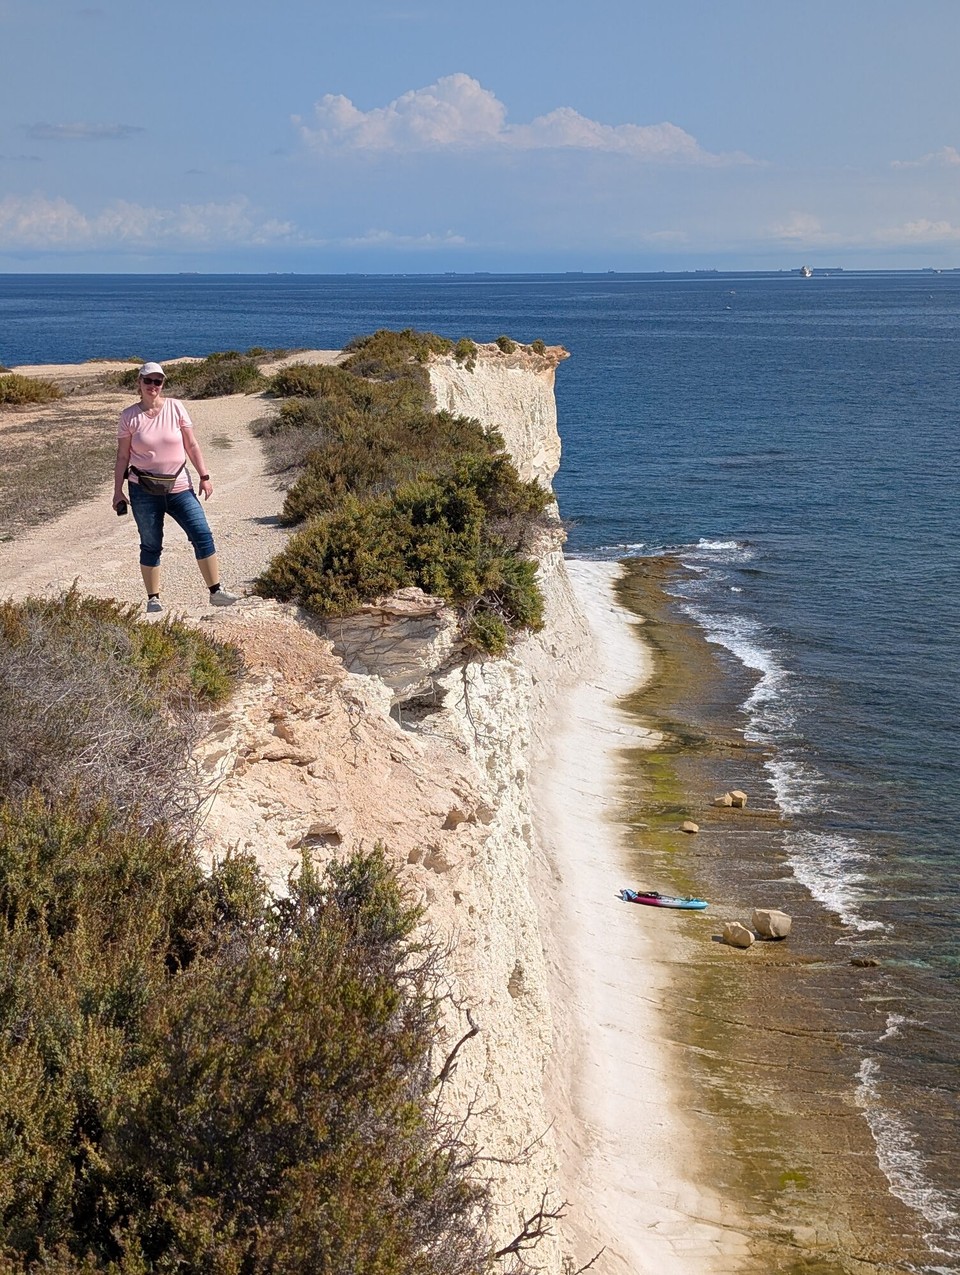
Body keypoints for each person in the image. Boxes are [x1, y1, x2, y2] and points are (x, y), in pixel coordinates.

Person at [113, 362, 238, 614]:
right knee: (151, 543)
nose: (153, 386)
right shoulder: (129, 416)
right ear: (139, 383)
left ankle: (216, 592)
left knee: (201, 533)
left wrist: (204, 476)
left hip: (179, 486)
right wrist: (118, 491)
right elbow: (122, 456)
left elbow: (191, 445)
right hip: (143, 489)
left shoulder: (176, 407)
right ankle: (153, 599)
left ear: (163, 384)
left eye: (157, 381)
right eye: (148, 381)